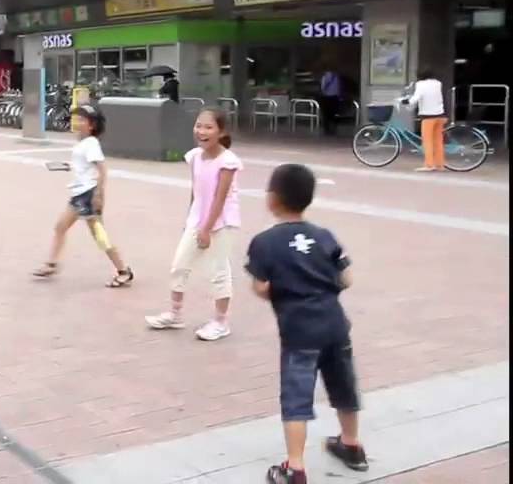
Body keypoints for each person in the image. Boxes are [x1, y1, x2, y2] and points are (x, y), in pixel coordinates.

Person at [246, 164, 368, 483]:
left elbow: (261, 287)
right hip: (335, 324)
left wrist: (285, 289)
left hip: (299, 331)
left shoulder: (264, 242)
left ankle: (295, 467)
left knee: (296, 397)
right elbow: (347, 278)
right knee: (343, 384)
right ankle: (352, 445)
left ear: (272, 199)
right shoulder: (324, 235)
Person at [145, 107, 242, 341]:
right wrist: (191, 220)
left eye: (209, 127)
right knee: (179, 265)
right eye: (199, 125)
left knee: (219, 272)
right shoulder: (194, 157)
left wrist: (207, 229)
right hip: (197, 220)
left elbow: (220, 199)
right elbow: (196, 192)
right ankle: (175, 314)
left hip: (222, 222)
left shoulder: (227, 161)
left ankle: (221, 322)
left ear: (221, 131)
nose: (202, 131)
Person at [32, 106, 134, 287]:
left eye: (82, 120)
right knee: (60, 226)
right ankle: (51, 265)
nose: (77, 123)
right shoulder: (83, 143)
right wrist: (68, 166)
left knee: (99, 235)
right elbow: (84, 166)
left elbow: (102, 169)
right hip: (79, 194)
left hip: (88, 195)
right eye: (76, 119)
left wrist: (99, 195)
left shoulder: (91, 143)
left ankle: (123, 270)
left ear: (92, 125)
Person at [403, 69, 446, 172]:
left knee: (427, 141)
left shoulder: (421, 84)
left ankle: (429, 165)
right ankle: (439, 165)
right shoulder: (438, 83)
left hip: (428, 116)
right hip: (440, 115)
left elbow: (416, 98)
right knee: (438, 141)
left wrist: (406, 101)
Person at [319, 67, 342, 136]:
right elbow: (339, 87)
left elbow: (322, 87)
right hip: (335, 97)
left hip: (326, 97)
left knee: (326, 114)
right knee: (334, 113)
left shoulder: (325, 77)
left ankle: (327, 129)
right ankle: (334, 127)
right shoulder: (337, 77)